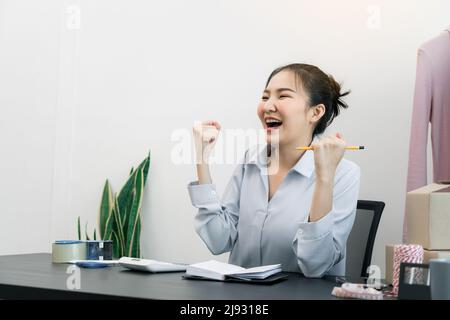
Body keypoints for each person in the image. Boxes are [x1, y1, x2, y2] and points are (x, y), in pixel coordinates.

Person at [188, 63, 360, 277]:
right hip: (242, 299)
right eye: (265, 97)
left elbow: (316, 265)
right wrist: (202, 159)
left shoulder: (344, 173)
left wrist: (324, 177)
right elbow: (218, 239)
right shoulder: (250, 161)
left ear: (316, 112)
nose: (268, 106)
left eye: (283, 96)